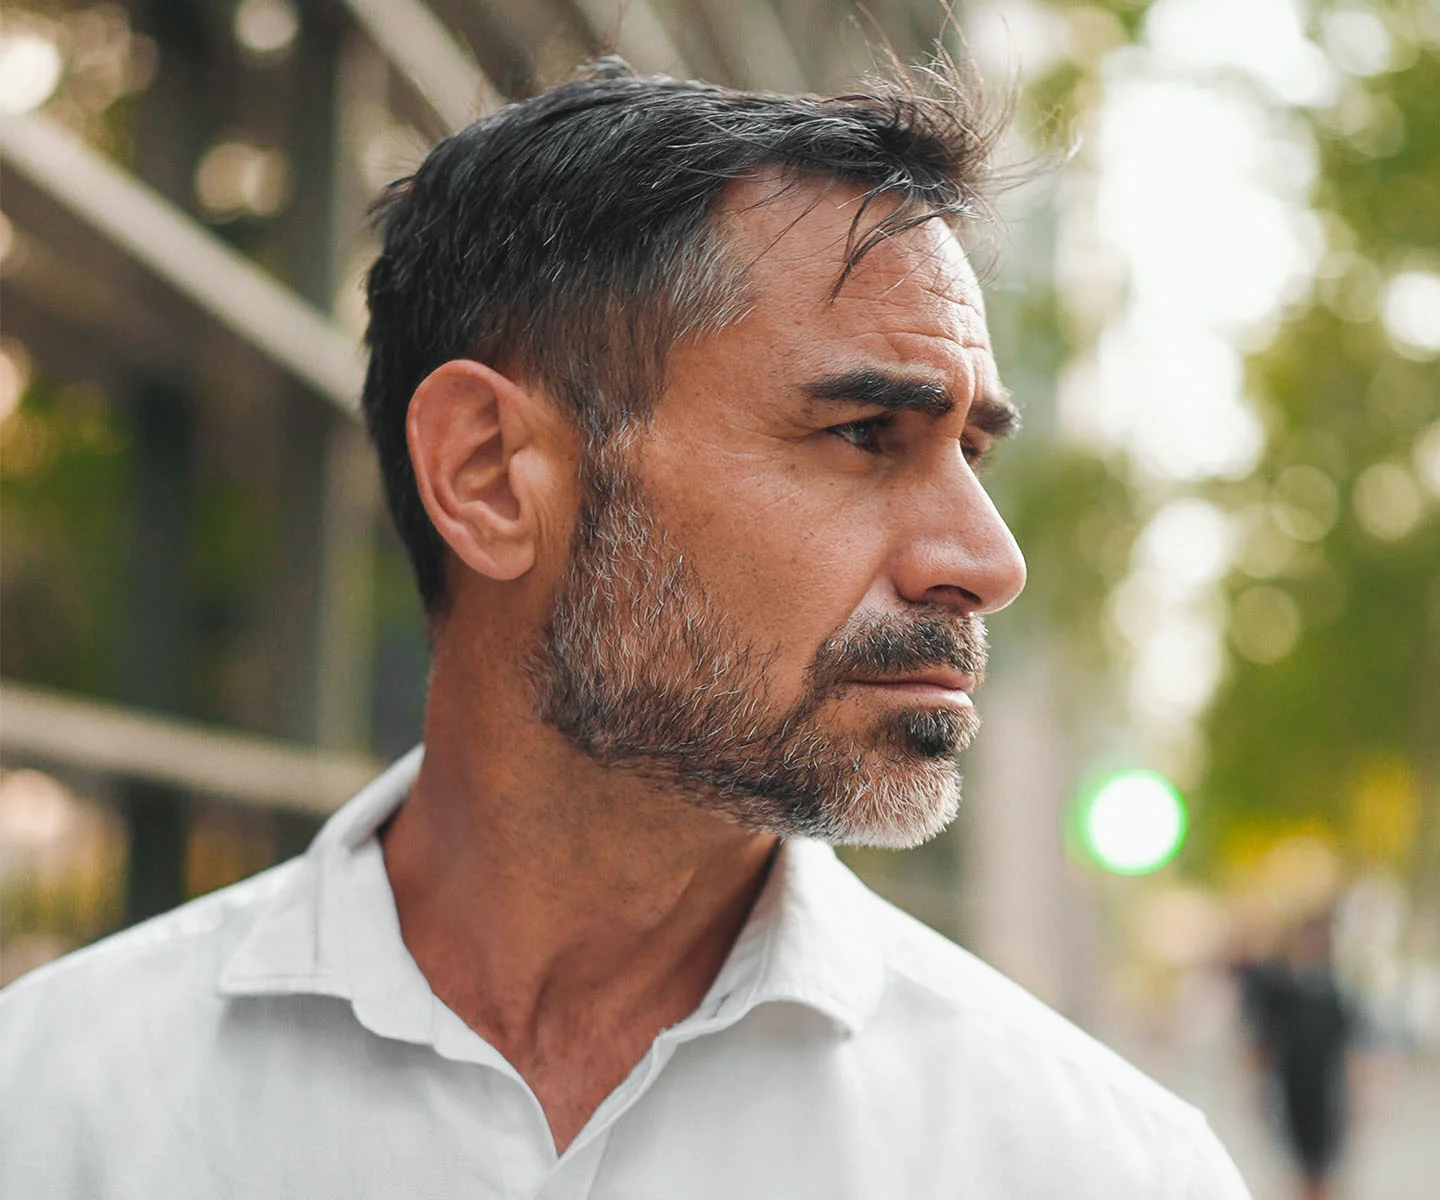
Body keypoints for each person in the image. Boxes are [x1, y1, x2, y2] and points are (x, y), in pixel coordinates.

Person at [0, 57, 1251, 1197]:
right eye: (866, 434)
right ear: (491, 474)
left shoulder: (1094, 1167)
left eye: (969, 452)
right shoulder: (54, 1115)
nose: (988, 562)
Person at [1238, 911, 1356, 1200]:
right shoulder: (1283, 990)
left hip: (1325, 1094)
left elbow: (1350, 1051)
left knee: (1320, 1169)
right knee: (1300, 1168)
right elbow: (1263, 1044)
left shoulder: (1336, 995)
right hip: (1292, 1091)